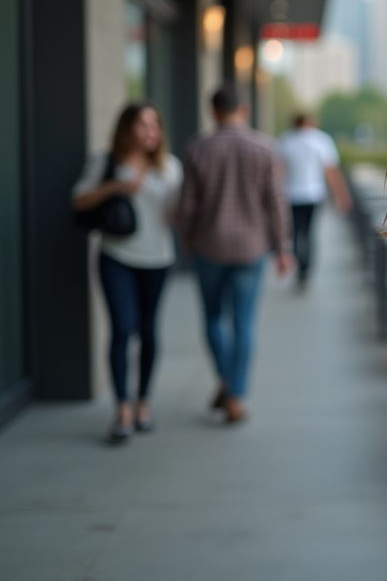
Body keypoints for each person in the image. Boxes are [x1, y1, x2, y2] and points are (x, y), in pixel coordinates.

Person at [176, 85, 292, 423]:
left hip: (208, 246)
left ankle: (225, 382)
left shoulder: (197, 149)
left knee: (213, 317)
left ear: (212, 111)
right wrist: (282, 248)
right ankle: (236, 394)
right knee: (243, 322)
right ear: (243, 110)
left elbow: (187, 205)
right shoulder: (263, 148)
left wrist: (187, 235)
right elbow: (276, 203)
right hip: (251, 248)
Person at [72, 102, 182, 442]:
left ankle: (143, 403)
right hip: (116, 256)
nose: (150, 132)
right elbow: (78, 201)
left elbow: (178, 214)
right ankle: (122, 408)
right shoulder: (105, 162)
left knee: (148, 331)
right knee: (122, 329)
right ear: (126, 129)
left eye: (155, 125)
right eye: (142, 124)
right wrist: (116, 187)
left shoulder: (170, 168)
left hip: (158, 259)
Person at [275, 113, 352, 290]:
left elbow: (279, 171)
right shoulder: (321, 140)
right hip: (314, 195)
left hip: (291, 195)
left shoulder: (286, 141)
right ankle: (306, 270)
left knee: (295, 233)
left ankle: (299, 266)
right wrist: (341, 195)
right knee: (309, 234)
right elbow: (331, 172)